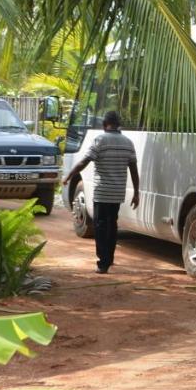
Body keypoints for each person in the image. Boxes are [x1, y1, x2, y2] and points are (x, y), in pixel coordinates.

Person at [63, 112, 140, 273]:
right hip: (117, 193)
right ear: (118, 125)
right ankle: (109, 258)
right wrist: (136, 192)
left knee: (100, 226)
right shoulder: (128, 143)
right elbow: (133, 169)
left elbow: (84, 162)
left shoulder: (100, 141)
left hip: (102, 192)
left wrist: (69, 176)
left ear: (105, 125)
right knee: (112, 225)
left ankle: (103, 262)